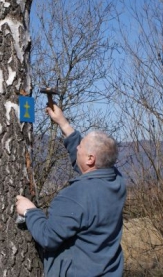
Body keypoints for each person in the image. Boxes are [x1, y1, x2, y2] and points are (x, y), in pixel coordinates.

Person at [16, 104, 126, 277]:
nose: (77, 148)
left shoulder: (74, 196)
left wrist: (29, 212)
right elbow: (86, 166)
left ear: (91, 158)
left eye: (80, 146)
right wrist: (63, 124)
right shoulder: (116, 180)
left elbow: (47, 238)